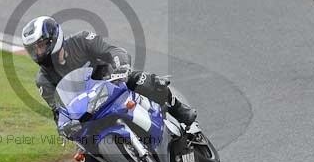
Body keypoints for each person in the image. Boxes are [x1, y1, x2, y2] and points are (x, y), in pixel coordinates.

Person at [21, 16, 198, 129]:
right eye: (33, 50)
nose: (37, 53)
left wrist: (122, 68)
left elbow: (114, 51)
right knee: (89, 159)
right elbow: (58, 108)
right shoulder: (43, 79)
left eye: (41, 46)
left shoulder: (82, 40)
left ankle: (179, 110)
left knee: (147, 81)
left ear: (54, 38)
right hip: (88, 110)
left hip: (114, 82)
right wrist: (65, 125)